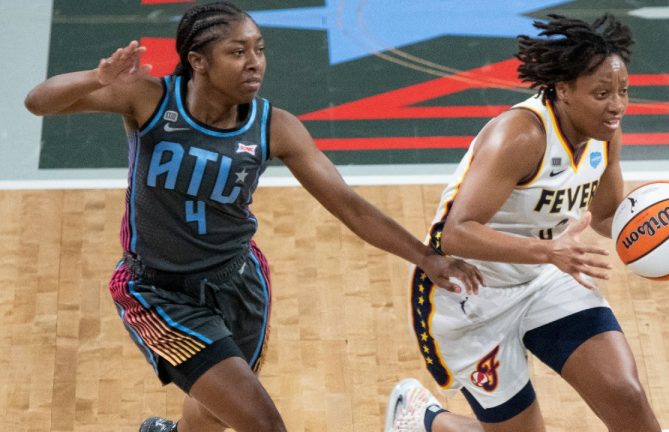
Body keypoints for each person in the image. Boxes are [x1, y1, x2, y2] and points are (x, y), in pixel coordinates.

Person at [24, 2, 483, 431]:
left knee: (215, 408)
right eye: (237, 51)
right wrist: (95, 77)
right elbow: (38, 102)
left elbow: (348, 205)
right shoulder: (149, 100)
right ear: (198, 60)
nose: (255, 62)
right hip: (158, 292)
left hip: (240, 283)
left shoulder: (274, 127)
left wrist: (427, 258)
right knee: (262, 422)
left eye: (259, 50)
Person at [384, 14, 669, 432]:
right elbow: (456, 233)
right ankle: (422, 418)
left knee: (626, 397)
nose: (616, 104)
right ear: (563, 89)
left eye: (623, 90)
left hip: (547, 277)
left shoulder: (605, 132)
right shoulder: (521, 136)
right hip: (471, 295)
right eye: (601, 93)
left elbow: (607, 216)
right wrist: (548, 251)